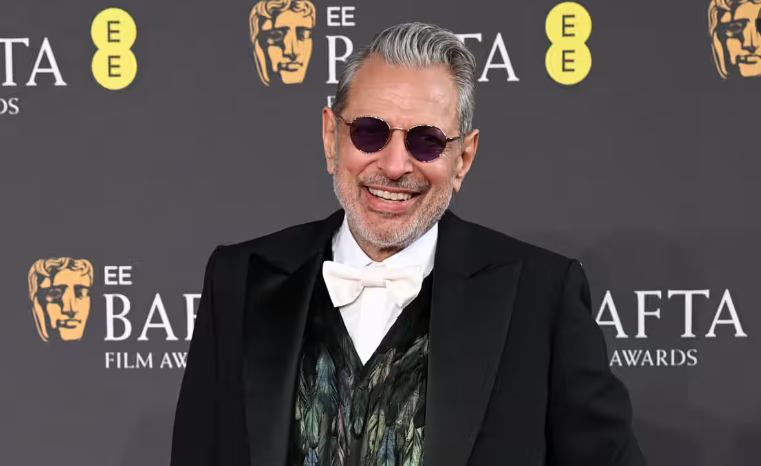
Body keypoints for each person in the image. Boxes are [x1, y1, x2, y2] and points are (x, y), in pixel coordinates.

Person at [171, 22, 646, 466]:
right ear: (331, 136)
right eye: (369, 132)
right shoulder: (240, 279)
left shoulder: (541, 297)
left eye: (426, 142)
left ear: (463, 158)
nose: (395, 165)